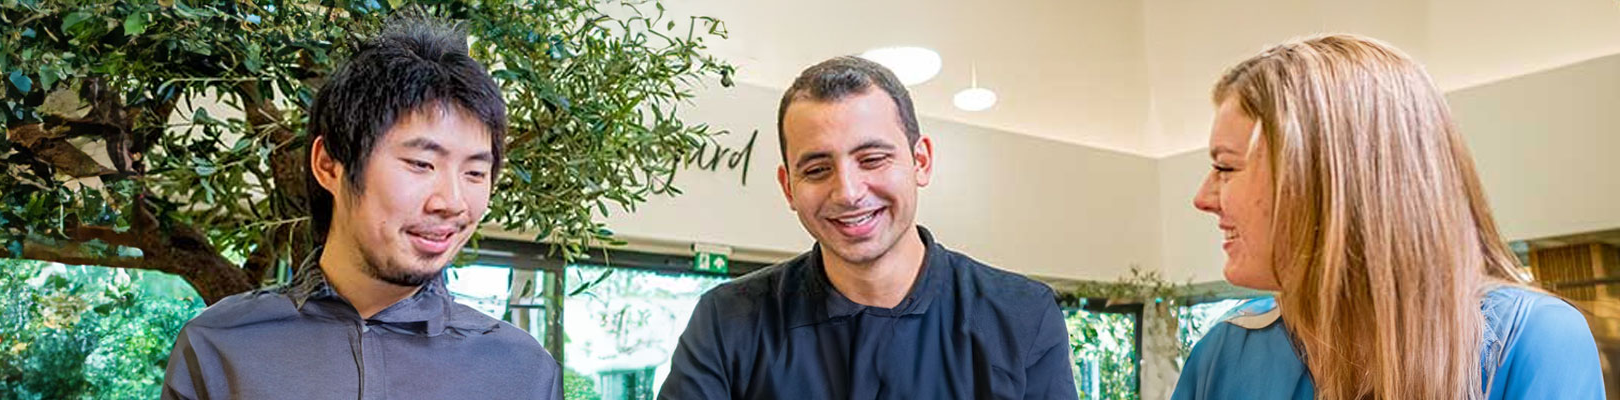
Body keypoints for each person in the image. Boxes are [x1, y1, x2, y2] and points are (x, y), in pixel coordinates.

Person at [1175, 34, 1604, 400]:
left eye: (1226, 167)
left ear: (1326, 176)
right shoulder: (1223, 353)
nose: (1202, 198)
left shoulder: (1531, 340)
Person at [161, 19, 559, 400]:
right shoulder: (218, 346)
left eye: (475, 171)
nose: (452, 202)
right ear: (329, 164)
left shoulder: (523, 370)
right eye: (421, 164)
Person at [657, 56, 1078, 399]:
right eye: (818, 169)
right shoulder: (727, 321)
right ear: (789, 187)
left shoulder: (1021, 315)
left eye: (872, 159)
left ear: (921, 161)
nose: (849, 192)